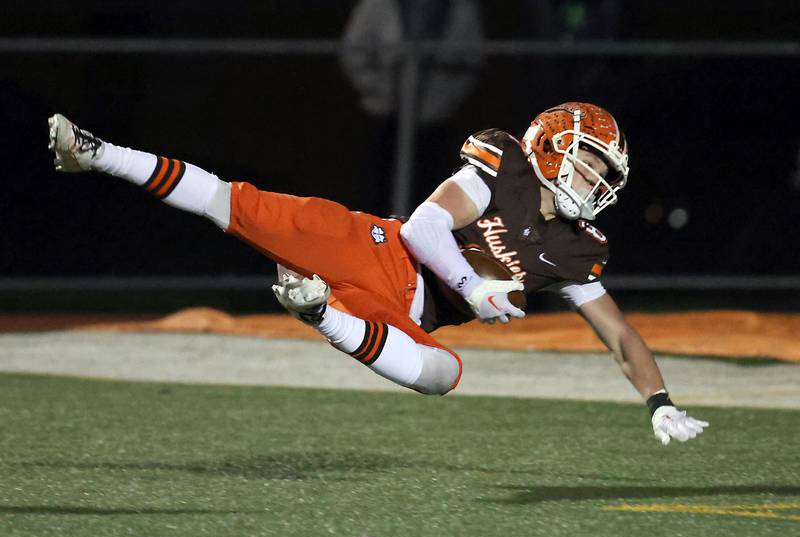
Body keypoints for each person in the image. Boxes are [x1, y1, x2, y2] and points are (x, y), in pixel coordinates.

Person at [47, 102, 708, 445]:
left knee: (445, 376)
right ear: (553, 146)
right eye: (591, 163)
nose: (596, 182)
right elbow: (424, 228)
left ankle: (319, 312)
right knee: (234, 202)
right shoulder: (501, 164)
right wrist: (475, 286)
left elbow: (619, 335)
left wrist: (660, 401)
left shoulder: (575, 250)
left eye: (603, 174)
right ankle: (98, 153)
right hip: (379, 250)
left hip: (401, 316)